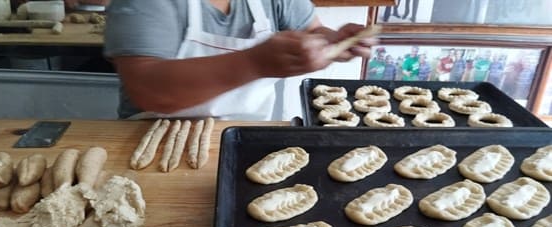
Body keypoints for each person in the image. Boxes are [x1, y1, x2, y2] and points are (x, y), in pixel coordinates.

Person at [103, 0, 376, 120]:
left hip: (244, 135)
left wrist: (333, 42)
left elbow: (312, 31)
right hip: (150, 135)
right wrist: (254, 63)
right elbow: (148, 89)